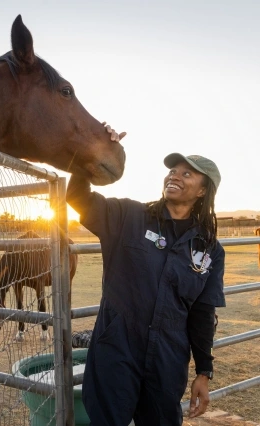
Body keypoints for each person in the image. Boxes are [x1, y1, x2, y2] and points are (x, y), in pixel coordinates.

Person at [66, 125, 225, 426]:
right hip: (116, 351)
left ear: (203, 191)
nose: (174, 175)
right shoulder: (128, 216)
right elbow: (77, 197)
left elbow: (203, 313)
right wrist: (95, 149)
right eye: (173, 171)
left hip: (167, 360)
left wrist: (204, 372)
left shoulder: (209, 250)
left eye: (187, 173)